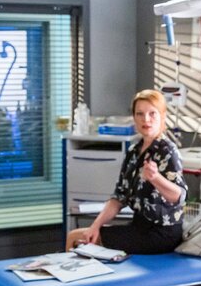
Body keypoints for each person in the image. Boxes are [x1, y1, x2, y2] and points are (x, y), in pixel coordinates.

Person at [66, 90, 187, 254]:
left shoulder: (168, 151)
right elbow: (119, 198)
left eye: (152, 113)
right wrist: (95, 226)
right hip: (139, 227)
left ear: (162, 116)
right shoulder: (134, 151)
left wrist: (156, 178)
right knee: (83, 236)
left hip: (162, 233)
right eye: (140, 114)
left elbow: (179, 196)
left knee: (74, 237)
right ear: (134, 118)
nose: (146, 119)